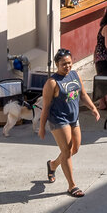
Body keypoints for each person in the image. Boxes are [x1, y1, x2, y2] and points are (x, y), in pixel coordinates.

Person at [39, 50, 99, 197]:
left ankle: (52, 165)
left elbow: (83, 94)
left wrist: (93, 108)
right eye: (63, 64)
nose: (67, 66)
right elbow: (46, 107)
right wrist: (41, 128)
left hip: (73, 117)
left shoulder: (75, 75)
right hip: (59, 119)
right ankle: (72, 186)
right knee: (66, 151)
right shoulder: (52, 83)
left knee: (75, 149)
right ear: (57, 65)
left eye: (69, 63)